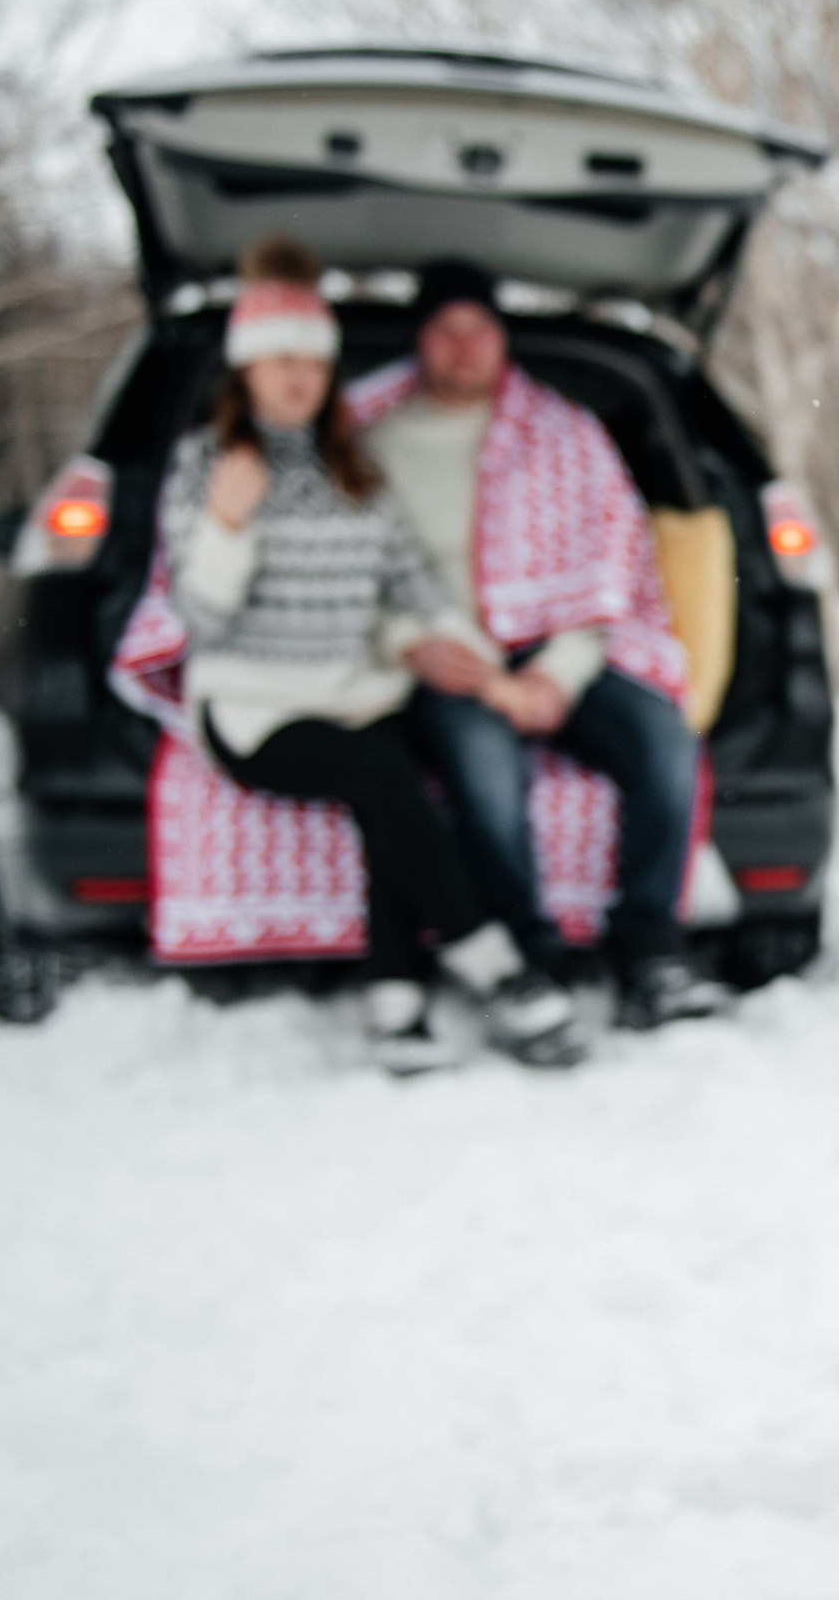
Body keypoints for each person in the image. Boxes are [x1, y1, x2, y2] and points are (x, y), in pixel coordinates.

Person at [163, 235, 583, 1074]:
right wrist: (227, 526)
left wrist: (495, 677)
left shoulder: (356, 468)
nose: (296, 380)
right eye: (278, 362)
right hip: (255, 704)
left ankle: (396, 1006)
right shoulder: (208, 464)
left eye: (312, 365)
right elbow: (200, 619)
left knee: (396, 792)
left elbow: (417, 591)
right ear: (246, 371)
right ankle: (493, 963)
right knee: (382, 777)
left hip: (356, 689)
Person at [352, 259, 726, 1033]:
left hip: (565, 651)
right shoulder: (373, 442)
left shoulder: (566, 436)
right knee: (485, 770)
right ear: (420, 341)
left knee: (664, 740)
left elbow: (607, 574)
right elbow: (358, 580)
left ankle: (649, 945)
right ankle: (531, 956)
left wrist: (556, 677)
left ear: (500, 339)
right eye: (445, 330)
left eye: (479, 329)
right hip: (446, 657)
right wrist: (414, 647)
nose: (463, 347)